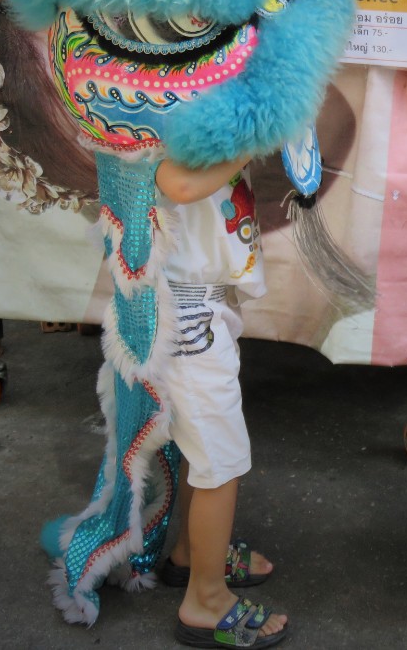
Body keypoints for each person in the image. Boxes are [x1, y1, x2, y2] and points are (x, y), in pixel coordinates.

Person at [153, 154, 288, 649]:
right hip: (186, 309)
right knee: (221, 459)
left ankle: (192, 555)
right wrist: (252, 138)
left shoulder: (190, 90)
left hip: (199, 302)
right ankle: (205, 600)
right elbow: (180, 183)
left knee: (202, 450)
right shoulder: (157, 101)